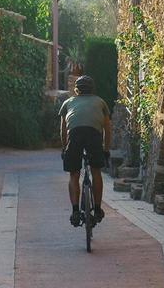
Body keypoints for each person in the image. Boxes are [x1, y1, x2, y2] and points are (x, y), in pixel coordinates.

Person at [59, 74, 111, 227]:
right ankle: (97, 209)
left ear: (76, 90)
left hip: (74, 135)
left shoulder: (68, 103)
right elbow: (107, 129)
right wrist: (106, 150)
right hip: (94, 135)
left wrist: (64, 148)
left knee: (74, 173)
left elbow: (63, 130)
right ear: (93, 90)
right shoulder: (100, 102)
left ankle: (75, 211)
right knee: (96, 171)